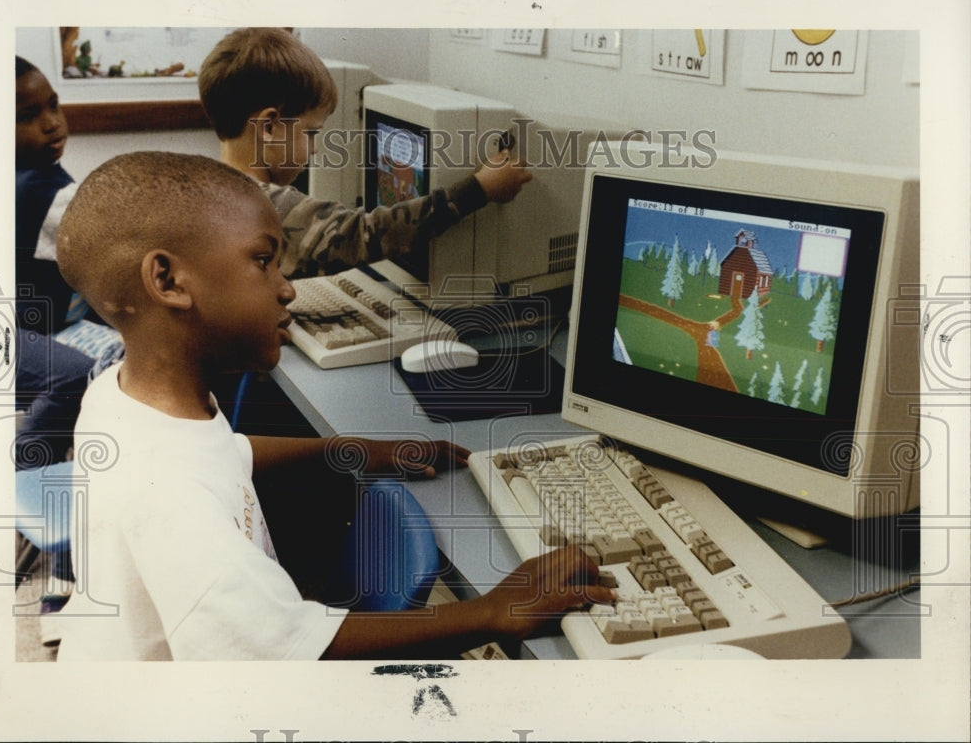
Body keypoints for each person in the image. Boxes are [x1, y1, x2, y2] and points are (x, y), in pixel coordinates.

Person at [53, 151, 614, 660]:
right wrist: (492, 612)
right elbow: (291, 647)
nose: (287, 288)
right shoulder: (175, 504)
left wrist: (353, 450)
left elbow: (222, 454)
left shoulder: (122, 397)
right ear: (168, 279)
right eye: (264, 261)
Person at [198, 27, 532, 279]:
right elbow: (368, 232)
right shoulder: (264, 206)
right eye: (311, 133)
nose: (315, 149)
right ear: (268, 126)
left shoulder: (211, 185)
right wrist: (481, 189)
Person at [14, 56, 94, 470]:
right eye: (29, 116)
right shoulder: (40, 190)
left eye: (54, 105)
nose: (52, 122)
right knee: (73, 374)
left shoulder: (34, 173)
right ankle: (21, 477)